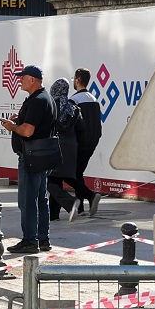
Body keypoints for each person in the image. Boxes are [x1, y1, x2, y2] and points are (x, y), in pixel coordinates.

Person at [1, 66, 58, 255]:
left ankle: (29, 240)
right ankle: (43, 239)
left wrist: (12, 127)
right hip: (42, 157)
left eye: (22, 77)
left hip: (31, 158)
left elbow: (27, 131)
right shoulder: (45, 98)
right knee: (41, 199)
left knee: (27, 201)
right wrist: (21, 119)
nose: (20, 80)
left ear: (32, 79)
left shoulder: (37, 101)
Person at [67, 67, 104, 221]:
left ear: (77, 79)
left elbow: (70, 124)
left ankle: (90, 196)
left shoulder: (74, 100)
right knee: (77, 173)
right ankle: (81, 206)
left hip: (78, 143)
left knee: (70, 174)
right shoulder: (94, 99)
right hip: (91, 143)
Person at [46, 78, 83, 224]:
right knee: (55, 180)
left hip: (55, 146)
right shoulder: (73, 107)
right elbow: (81, 128)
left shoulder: (51, 106)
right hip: (71, 148)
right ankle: (53, 214)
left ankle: (70, 202)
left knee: (48, 180)